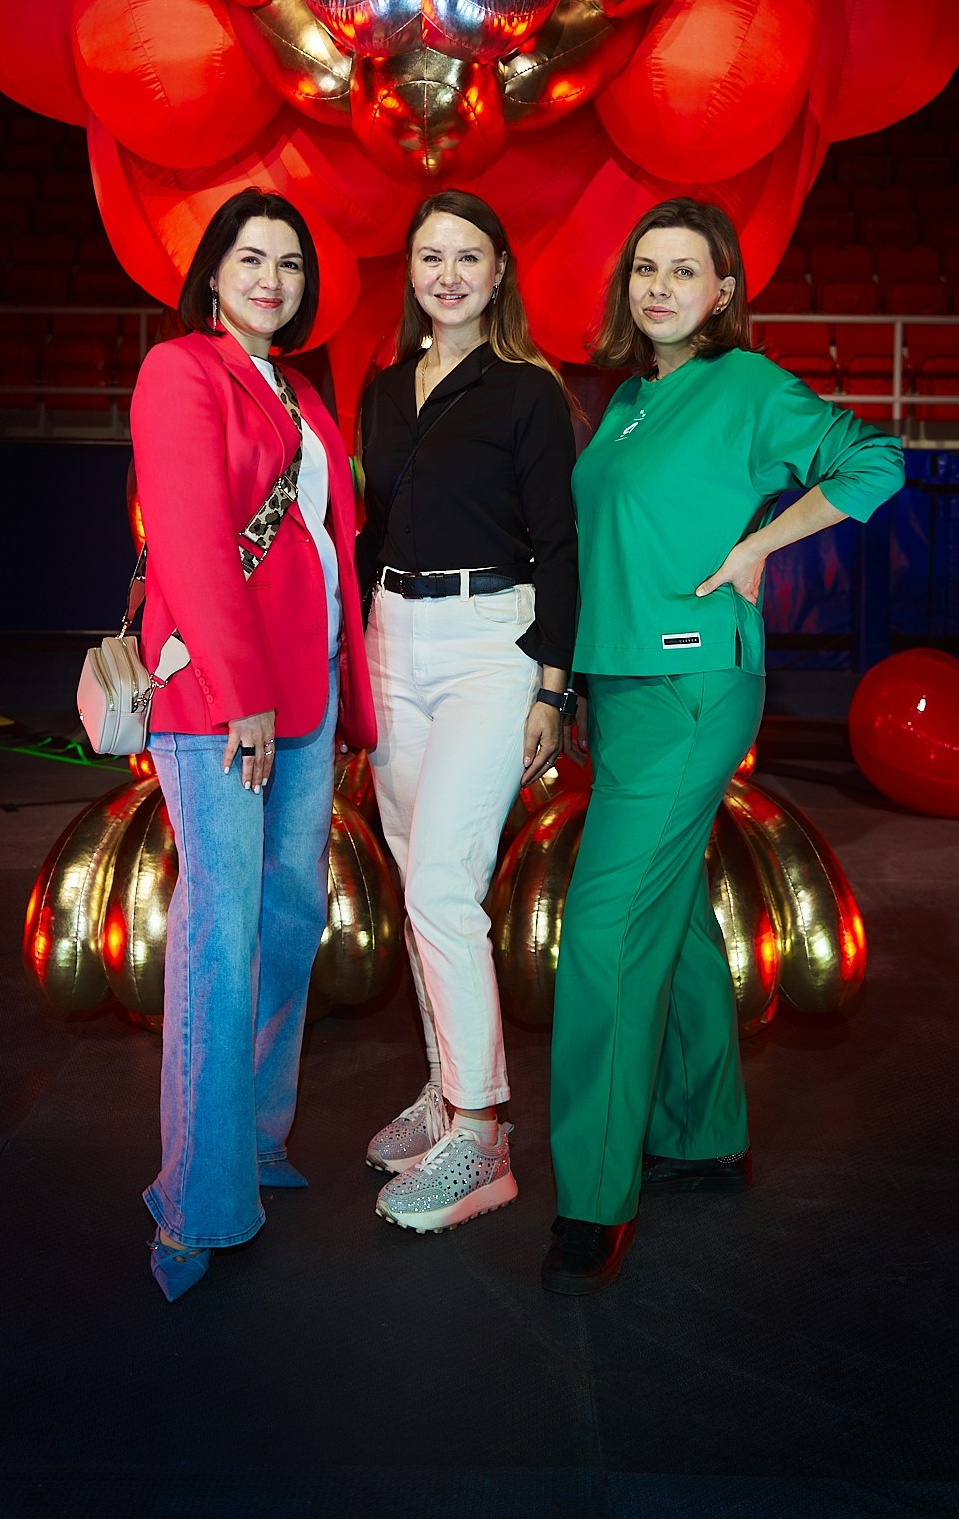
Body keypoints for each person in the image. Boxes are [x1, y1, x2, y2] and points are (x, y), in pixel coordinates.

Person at [543, 197, 904, 1295]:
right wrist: (573, 684)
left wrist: (762, 544)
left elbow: (874, 460)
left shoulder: (745, 386)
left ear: (722, 291)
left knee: (602, 928)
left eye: (683, 270)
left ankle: (591, 1196)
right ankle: (703, 1132)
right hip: (621, 689)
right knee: (673, 914)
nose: (658, 287)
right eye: (644, 268)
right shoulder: (625, 401)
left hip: (695, 681)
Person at [130, 188, 374, 1301]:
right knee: (220, 931)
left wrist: (337, 693)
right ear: (214, 273)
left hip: (306, 690)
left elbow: (322, 542)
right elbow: (188, 538)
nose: (272, 278)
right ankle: (196, 1199)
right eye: (250, 257)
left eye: (289, 262)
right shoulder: (181, 370)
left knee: (289, 917)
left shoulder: (302, 391)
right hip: (225, 700)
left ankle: (256, 1135)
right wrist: (241, 695)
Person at [355, 189, 578, 1233]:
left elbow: (560, 543)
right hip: (392, 637)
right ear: (410, 272)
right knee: (418, 880)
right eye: (429, 256)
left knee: (445, 883)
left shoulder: (527, 390)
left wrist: (552, 685)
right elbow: (371, 530)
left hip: (491, 641)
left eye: (467, 256)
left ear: (498, 274)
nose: (447, 274)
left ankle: (482, 1135)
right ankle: (447, 1089)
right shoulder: (382, 388)